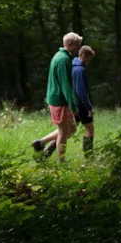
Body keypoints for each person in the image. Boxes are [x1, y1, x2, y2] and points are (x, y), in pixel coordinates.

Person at [31, 32, 82, 162]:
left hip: (58, 99)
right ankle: (61, 161)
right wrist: (73, 106)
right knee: (64, 132)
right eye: (77, 45)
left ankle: (41, 143)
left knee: (71, 129)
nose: (79, 48)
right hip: (60, 101)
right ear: (70, 45)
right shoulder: (63, 60)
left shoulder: (61, 56)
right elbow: (66, 85)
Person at [73, 46, 96, 159]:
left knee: (67, 131)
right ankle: (89, 157)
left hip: (73, 103)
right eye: (89, 59)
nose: (89, 62)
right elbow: (81, 91)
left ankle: (43, 144)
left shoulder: (72, 66)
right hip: (80, 104)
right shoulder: (80, 70)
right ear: (83, 55)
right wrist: (89, 107)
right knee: (90, 128)